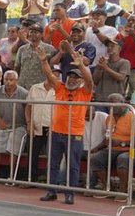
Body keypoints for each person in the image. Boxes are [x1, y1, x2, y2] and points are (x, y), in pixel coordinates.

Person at [37, 44, 93, 205]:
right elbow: (49, 75)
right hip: (56, 132)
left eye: (76, 77)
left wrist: (81, 65)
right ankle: (51, 191)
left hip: (74, 134)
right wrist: (43, 61)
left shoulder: (85, 92)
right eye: (70, 76)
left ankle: (70, 194)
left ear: (80, 80)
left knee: (73, 166)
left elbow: (89, 80)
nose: (72, 79)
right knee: (52, 163)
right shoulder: (60, 87)